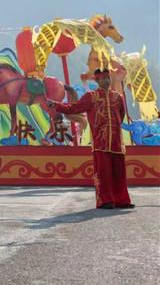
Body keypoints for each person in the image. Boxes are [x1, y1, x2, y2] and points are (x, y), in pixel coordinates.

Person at [48, 69, 134, 209]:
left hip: (117, 143)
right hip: (101, 143)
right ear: (97, 81)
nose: (106, 80)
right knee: (103, 174)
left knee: (119, 173)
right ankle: (105, 201)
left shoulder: (117, 97)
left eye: (108, 78)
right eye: (103, 78)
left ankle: (122, 200)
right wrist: (57, 105)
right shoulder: (91, 97)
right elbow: (74, 108)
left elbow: (121, 115)